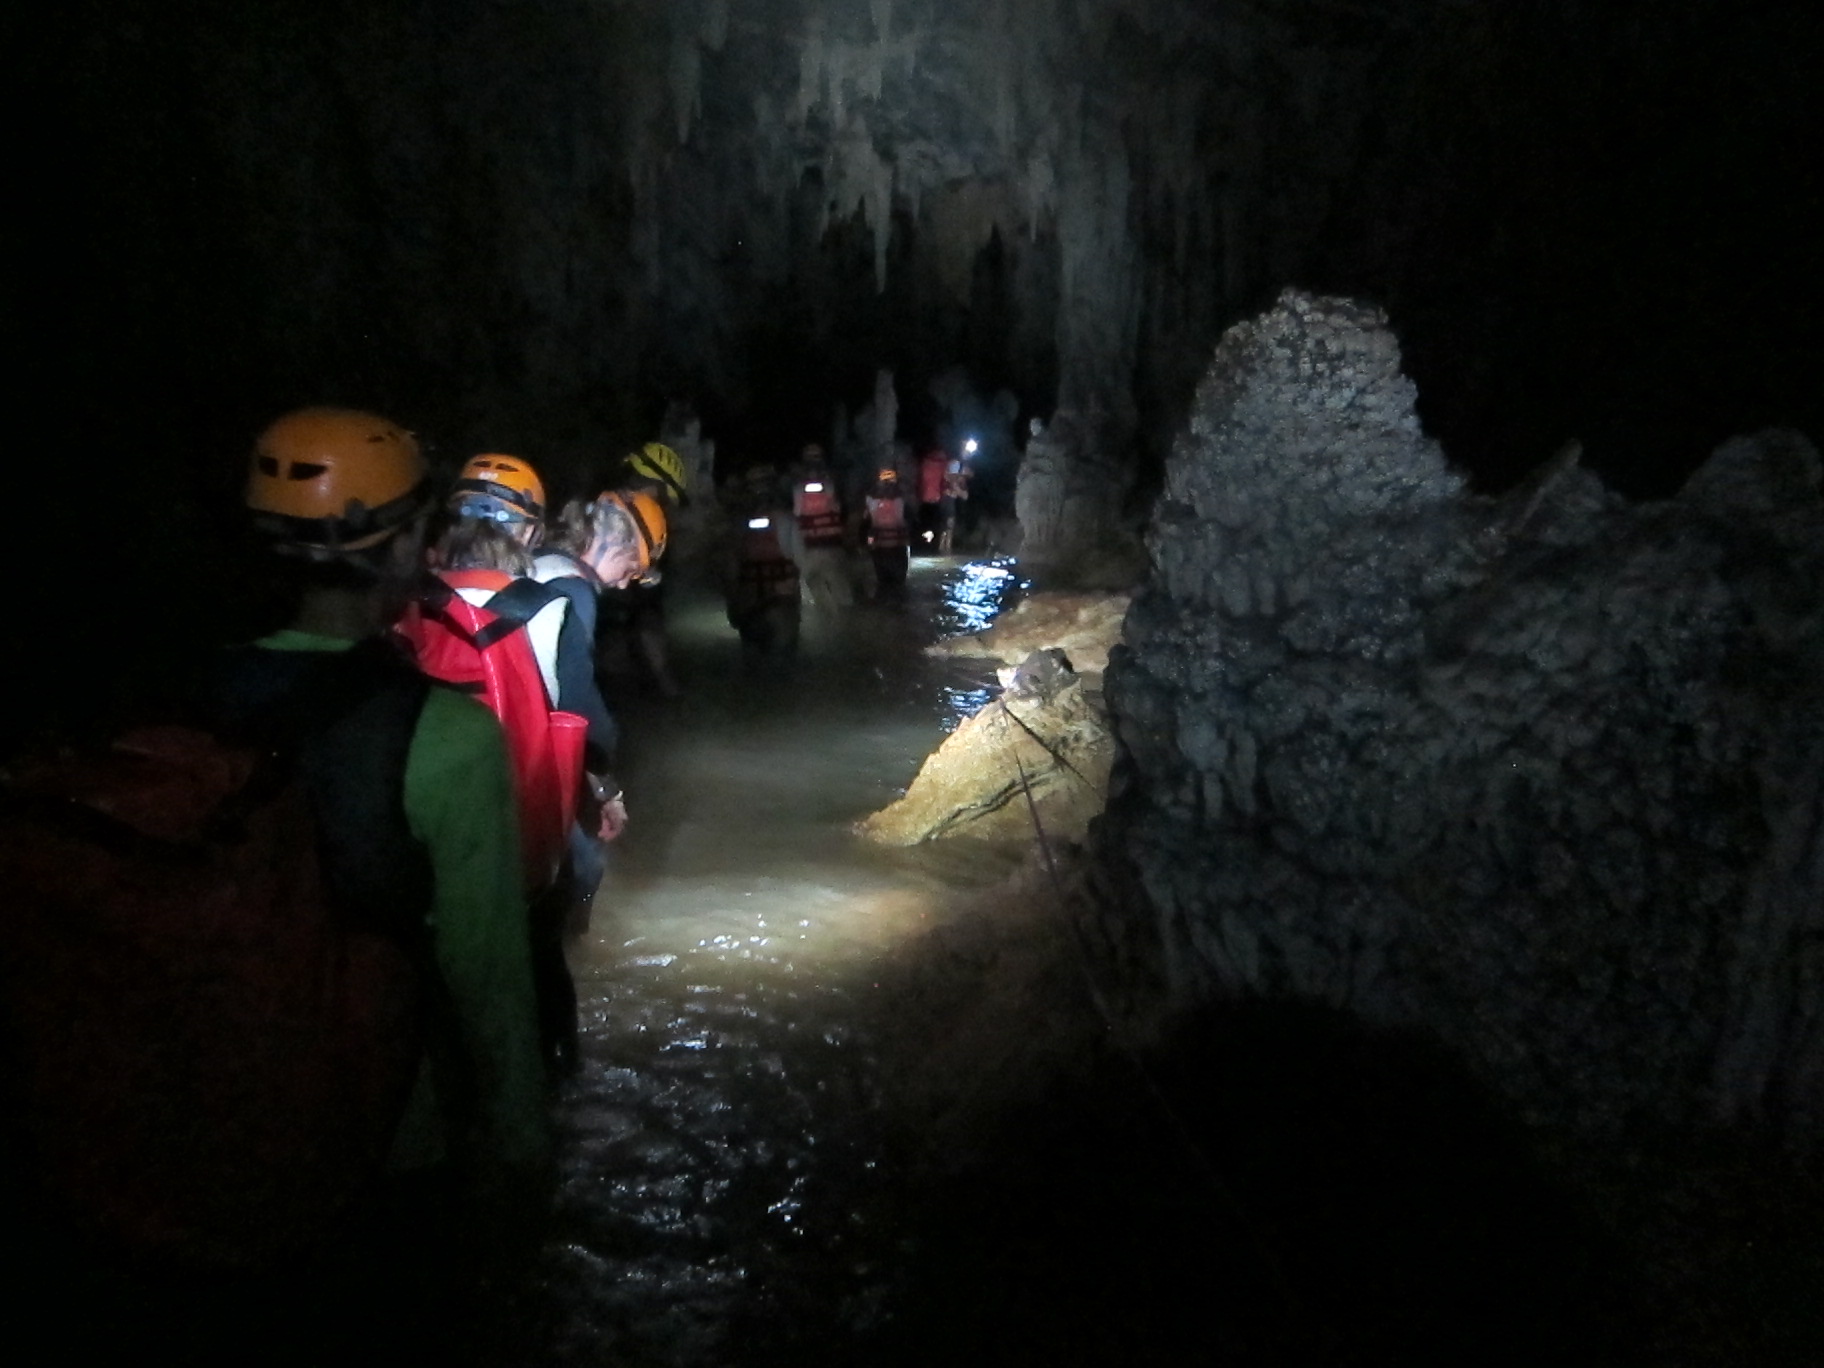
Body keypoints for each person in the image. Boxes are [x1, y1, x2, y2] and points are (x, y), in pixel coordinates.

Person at [790, 443, 855, 623]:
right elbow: (840, 508)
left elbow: (796, 513)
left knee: (818, 588)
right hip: (825, 545)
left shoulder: (798, 485)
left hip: (815, 545)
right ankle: (843, 624)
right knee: (838, 591)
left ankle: (831, 624)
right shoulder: (830, 482)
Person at [864, 466, 913, 596]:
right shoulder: (902, 497)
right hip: (898, 545)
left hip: (879, 546)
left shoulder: (870, 498)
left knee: (882, 583)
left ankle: (883, 602)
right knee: (899, 584)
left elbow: (866, 521)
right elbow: (910, 518)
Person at [917, 446, 948, 550]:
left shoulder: (925, 463)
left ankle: (926, 543)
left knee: (926, 522)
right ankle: (932, 544)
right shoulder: (941, 465)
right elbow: (944, 480)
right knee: (934, 523)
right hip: (935, 498)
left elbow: (920, 480)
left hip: (925, 497)